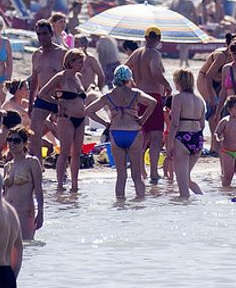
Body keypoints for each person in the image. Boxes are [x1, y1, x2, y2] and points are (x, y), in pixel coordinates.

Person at [85, 66, 156, 200]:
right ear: (129, 79)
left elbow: (88, 110)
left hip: (116, 132)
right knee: (136, 175)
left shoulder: (108, 95)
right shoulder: (135, 93)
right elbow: (153, 102)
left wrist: (106, 123)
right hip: (134, 132)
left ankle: (120, 206)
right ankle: (140, 204)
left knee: (121, 175)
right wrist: (143, 118)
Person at [38, 48, 89, 192]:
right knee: (65, 151)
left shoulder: (78, 77)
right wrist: (57, 103)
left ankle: (74, 185)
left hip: (80, 119)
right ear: (71, 62)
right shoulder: (61, 77)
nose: (82, 65)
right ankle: (60, 185)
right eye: (80, 62)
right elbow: (42, 93)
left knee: (77, 153)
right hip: (66, 118)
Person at [127, 26, 172, 185]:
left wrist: (133, 85)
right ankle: (153, 172)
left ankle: (141, 171)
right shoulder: (154, 54)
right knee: (156, 136)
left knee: (143, 136)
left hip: (139, 96)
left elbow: (125, 69)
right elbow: (155, 72)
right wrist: (167, 85)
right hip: (152, 96)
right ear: (159, 39)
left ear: (145, 38)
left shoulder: (136, 53)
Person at [26, 17, 64, 158]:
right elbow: (34, 80)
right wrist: (31, 103)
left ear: (51, 34)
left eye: (44, 33)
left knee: (62, 133)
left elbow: (68, 78)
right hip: (42, 98)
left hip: (59, 98)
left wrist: (63, 101)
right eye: (39, 34)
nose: (41, 37)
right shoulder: (36, 55)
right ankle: (38, 165)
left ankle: (64, 162)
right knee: (33, 131)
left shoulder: (61, 53)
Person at [167, 68, 208, 198]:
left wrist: (169, 145)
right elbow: (202, 124)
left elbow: (174, 124)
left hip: (182, 137)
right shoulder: (200, 100)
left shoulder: (178, 98)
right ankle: (203, 199)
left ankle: (184, 211)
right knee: (186, 178)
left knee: (182, 183)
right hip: (197, 138)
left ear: (179, 82)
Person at [2, 127, 44, 239]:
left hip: (25, 213)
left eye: (16, 141)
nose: (12, 144)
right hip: (8, 213)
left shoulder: (32, 162)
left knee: (26, 245)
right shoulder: (7, 166)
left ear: (24, 143)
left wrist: (40, 213)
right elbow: (4, 193)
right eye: (9, 140)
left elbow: (39, 189)